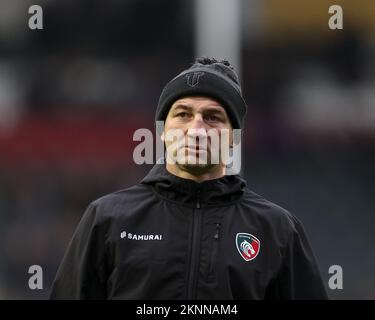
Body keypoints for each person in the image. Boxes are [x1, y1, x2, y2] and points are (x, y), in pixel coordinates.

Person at [49, 57, 328, 299]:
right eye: (183, 114)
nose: (196, 129)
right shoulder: (107, 218)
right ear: (162, 130)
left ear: (233, 137)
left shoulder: (276, 230)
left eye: (213, 117)